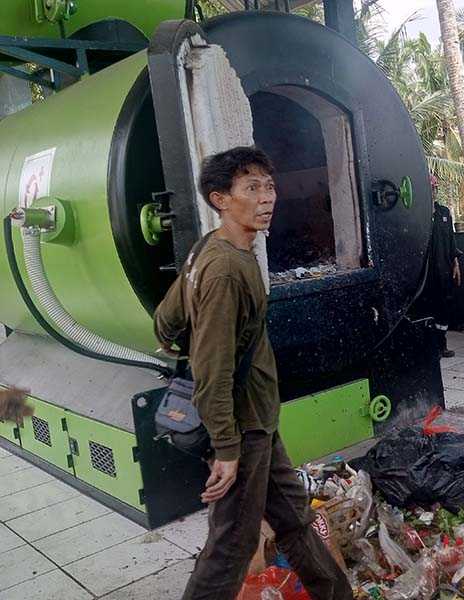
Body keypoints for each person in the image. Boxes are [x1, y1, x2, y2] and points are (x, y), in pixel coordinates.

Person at [154, 147, 352, 600]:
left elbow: (166, 320)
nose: (267, 198)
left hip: (259, 419)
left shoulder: (212, 247)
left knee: (294, 518)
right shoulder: (225, 269)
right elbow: (212, 368)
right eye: (251, 188)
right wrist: (226, 448)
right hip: (242, 429)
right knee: (233, 544)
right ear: (220, 198)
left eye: (269, 186)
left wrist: (178, 339)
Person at [425, 175, 462, 358]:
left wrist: (455, 263)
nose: (432, 192)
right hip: (425, 273)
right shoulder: (418, 216)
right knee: (428, 309)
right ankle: (430, 347)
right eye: (429, 188)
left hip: (444, 270)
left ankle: (442, 345)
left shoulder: (444, 213)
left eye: (433, 188)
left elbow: (451, 241)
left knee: (444, 308)